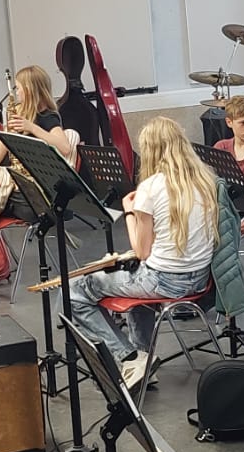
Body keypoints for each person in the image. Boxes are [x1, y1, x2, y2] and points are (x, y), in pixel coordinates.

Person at [68, 117, 216, 391]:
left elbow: (142, 250)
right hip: (200, 280)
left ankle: (129, 357)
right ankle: (145, 364)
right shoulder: (206, 180)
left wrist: (128, 211)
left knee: (74, 291)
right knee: (137, 293)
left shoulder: (151, 187)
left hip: (163, 280)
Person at [0, 66, 79, 304]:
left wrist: (32, 128)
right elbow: (4, 143)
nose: (16, 92)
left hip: (31, 178)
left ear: (30, 90)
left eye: (19, 88)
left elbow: (64, 146)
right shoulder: (19, 112)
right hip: (9, 173)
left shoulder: (48, 117)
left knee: (72, 135)